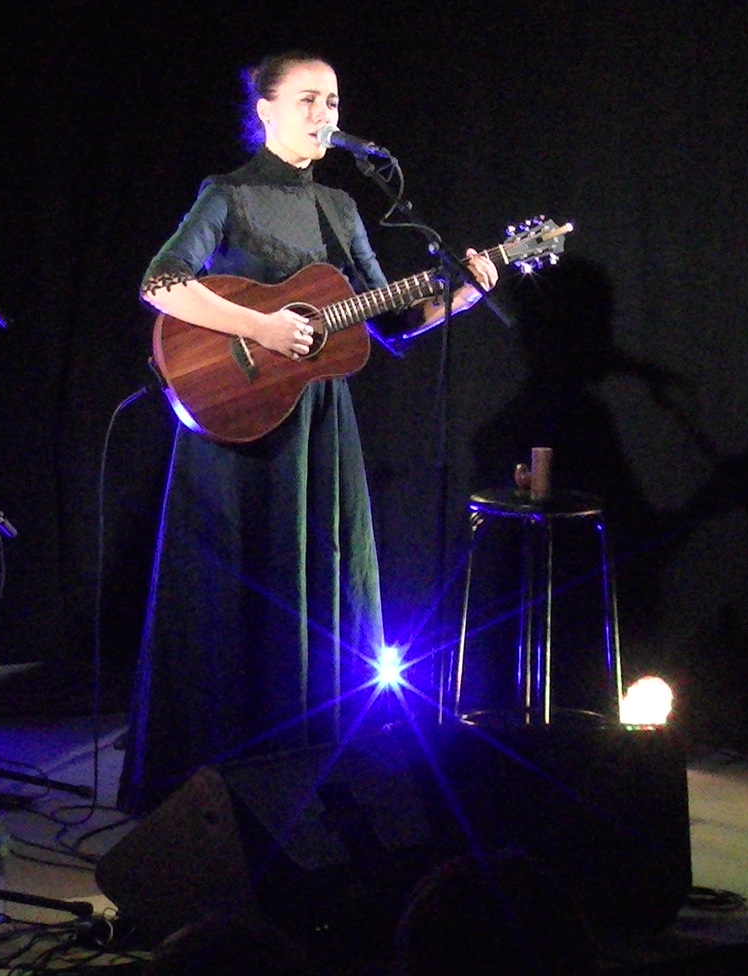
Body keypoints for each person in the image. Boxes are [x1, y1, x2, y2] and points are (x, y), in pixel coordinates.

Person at [121, 51, 498, 812]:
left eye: (333, 99)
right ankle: (209, 788)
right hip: (239, 427)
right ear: (263, 109)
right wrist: (261, 323)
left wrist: (461, 293)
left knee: (323, 596)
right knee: (233, 597)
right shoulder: (225, 194)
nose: (326, 113)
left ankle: (310, 778)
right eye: (309, 99)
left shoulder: (341, 208)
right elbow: (161, 284)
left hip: (318, 429)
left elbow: (384, 322)